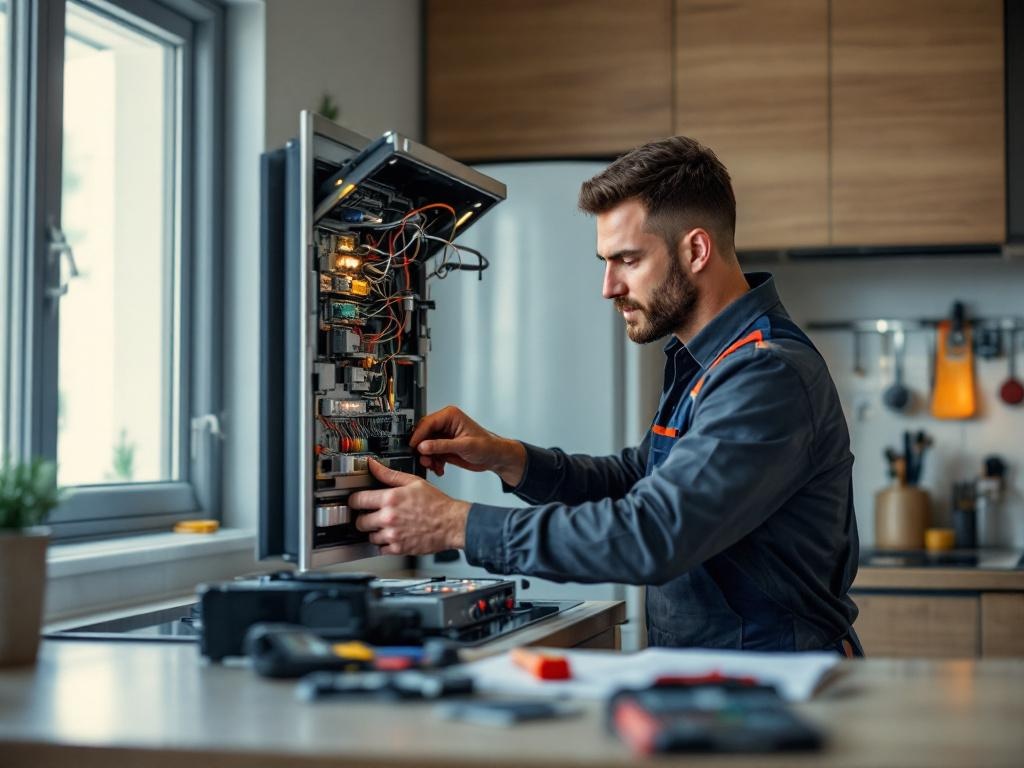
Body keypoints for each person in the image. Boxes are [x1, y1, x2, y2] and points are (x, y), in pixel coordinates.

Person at [349, 136, 861, 655]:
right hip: (717, 679)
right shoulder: (706, 361)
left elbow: (653, 534)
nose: (608, 287)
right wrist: (510, 459)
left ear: (697, 250)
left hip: (777, 686)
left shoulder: (763, 373)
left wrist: (453, 524)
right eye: (605, 261)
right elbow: (636, 481)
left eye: (627, 260)